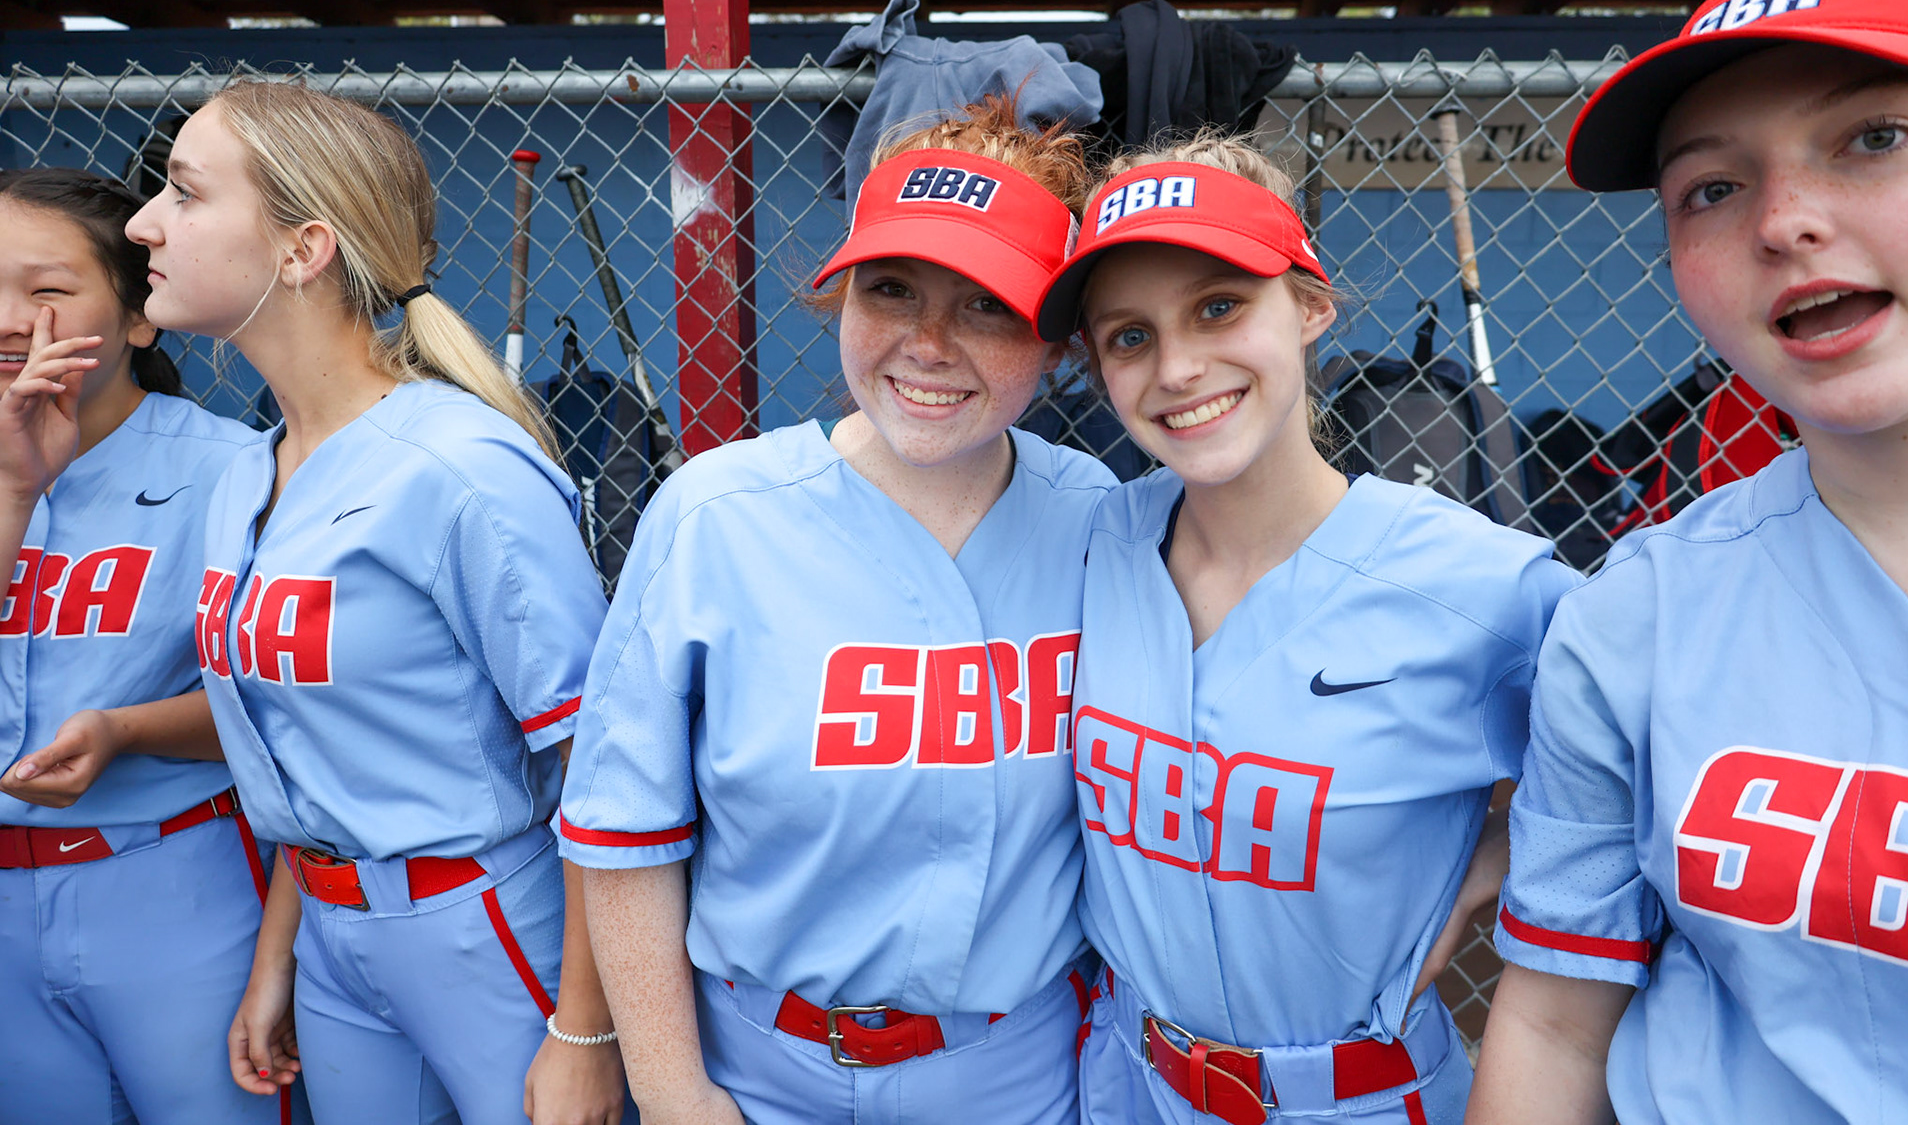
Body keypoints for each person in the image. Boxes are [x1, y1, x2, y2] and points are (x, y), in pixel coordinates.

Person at [558, 97, 1114, 1125]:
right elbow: (625, 831)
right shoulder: (716, 513)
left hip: (1013, 1066)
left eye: (987, 303)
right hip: (757, 1058)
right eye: (891, 288)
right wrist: (676, 1090)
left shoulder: (1103, 524)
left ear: (1058, 338)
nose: (928, 342)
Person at [1031, 137, 1580, 1125]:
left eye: (1219, 306)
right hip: (1126, 1079)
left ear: (1311, 305)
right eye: (1128, 336)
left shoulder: (1476, 582)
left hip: (1359, 1097)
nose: (1179, 367)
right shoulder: (1096, 538)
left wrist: (1490, 865)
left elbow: (1654, 761)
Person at [1469, 0, 1908, 1125]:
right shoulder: (1636, 613)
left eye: (1874, 137)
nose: (1783, 221)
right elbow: (1556, 1023)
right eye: (1712, 188)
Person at [124, 80, 629, 1125]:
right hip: (334, 938)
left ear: (304, 249)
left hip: (485, 921)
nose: (142, 223)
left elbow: (603, 769)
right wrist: (282, 953)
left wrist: (587, 1030)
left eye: (183, 192)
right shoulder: (249, 471)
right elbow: (306, 746)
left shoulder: (459, 465)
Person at [0, 168, 288, 1123]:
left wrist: (125, 731)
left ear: (138, 316)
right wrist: (13, 493)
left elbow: (290, 707)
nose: (12, 321)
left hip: (173, 876)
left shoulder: (235, 471)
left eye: (47, 292)